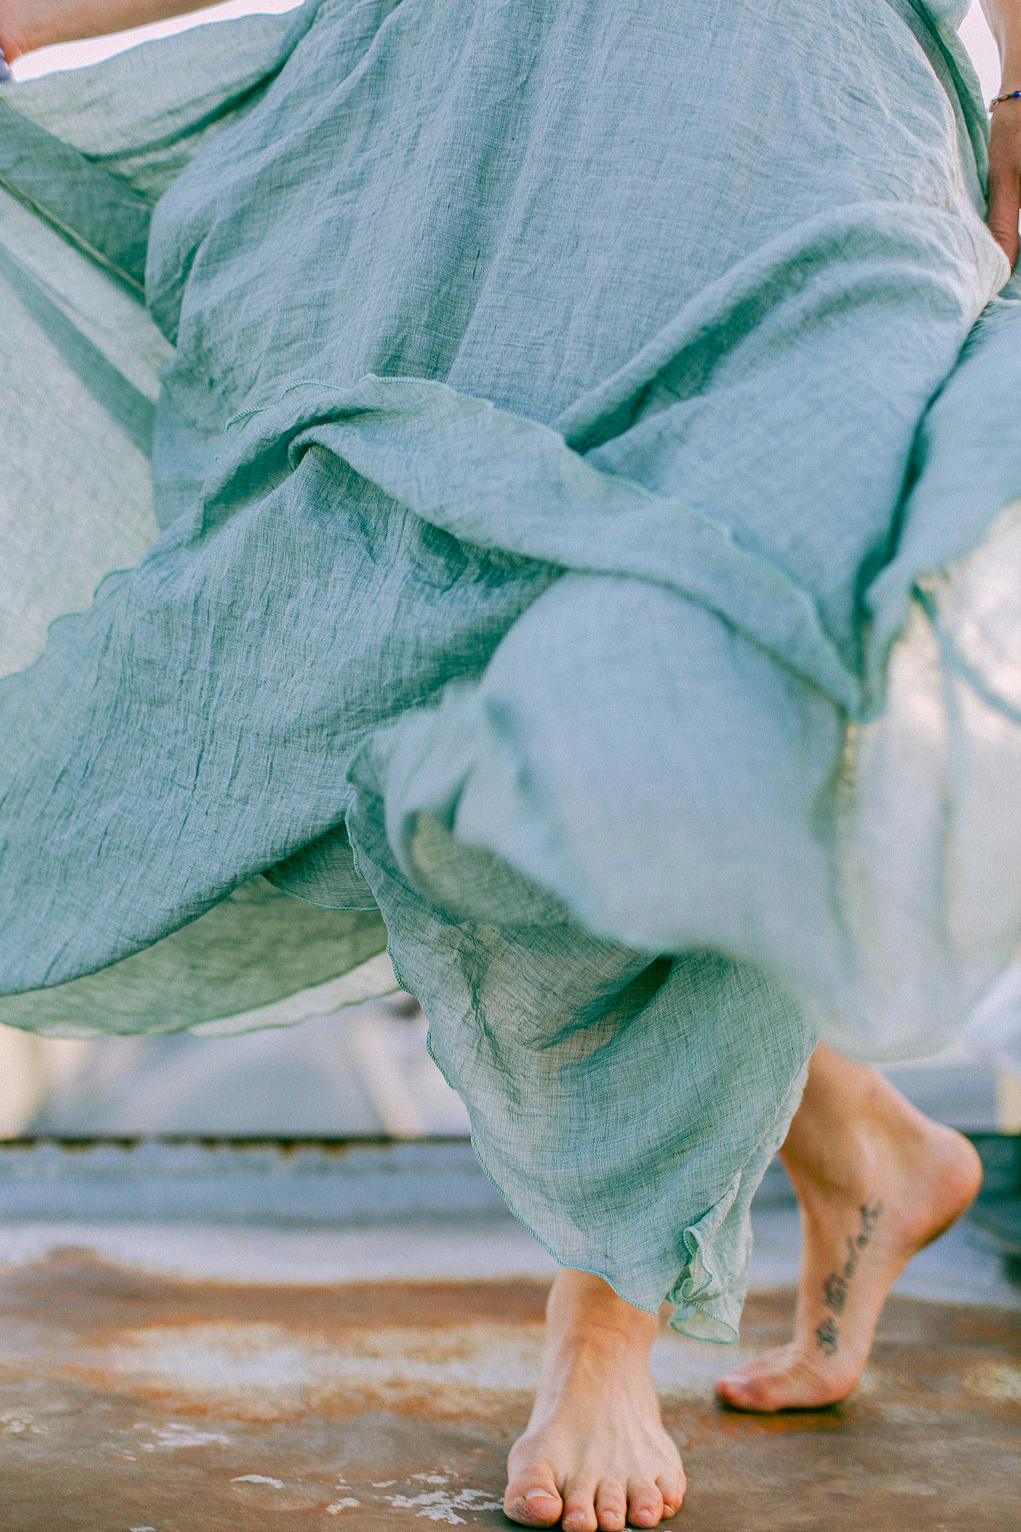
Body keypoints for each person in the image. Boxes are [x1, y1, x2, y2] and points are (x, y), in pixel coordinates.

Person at [1, 2, 1021, 1527]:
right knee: (330, 668)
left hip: (796, 106)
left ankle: (604, 1320)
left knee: (682, 649)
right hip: (441, 130)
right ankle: (858, 1138)